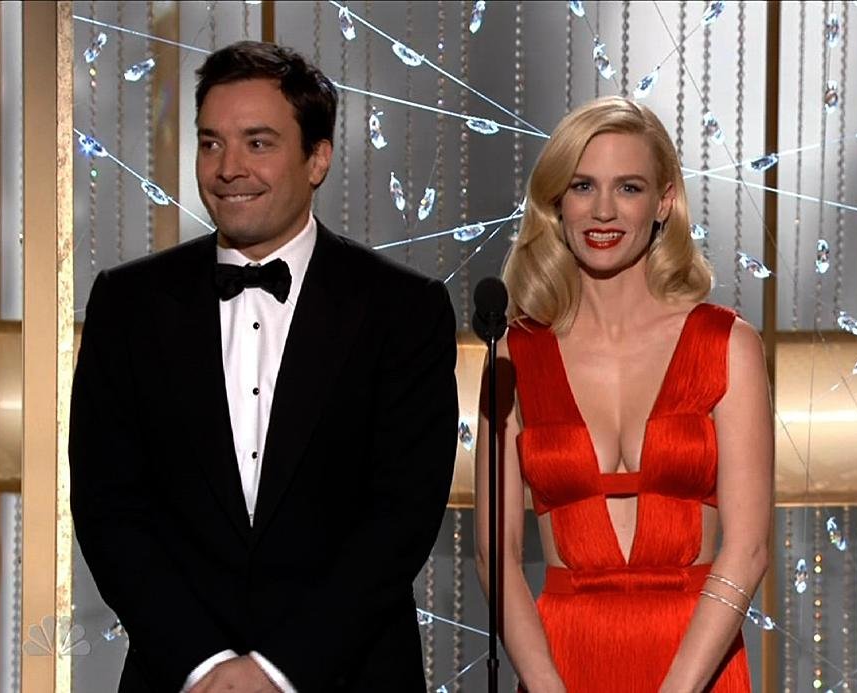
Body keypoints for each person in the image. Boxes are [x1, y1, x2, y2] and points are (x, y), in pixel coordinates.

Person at [70, 41, 458, 693]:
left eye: (258, 143)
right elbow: (108, 506)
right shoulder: (128, 303)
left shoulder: (404, 309)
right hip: (179, 678)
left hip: (352, 677)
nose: (229, 168)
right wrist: (204, 665)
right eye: (211, 143)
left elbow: (401, 516)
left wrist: (279, 670)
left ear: (318, 158)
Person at [475, 96, 773, 693]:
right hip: (560, 666)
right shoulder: (512, 354)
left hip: (698, 667)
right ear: (557, 201)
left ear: (664, 201)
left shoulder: (727, 344)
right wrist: (545, 685)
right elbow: (495, 554)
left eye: (629, 187)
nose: (603, 210)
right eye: (582, 185)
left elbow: (748, 549)